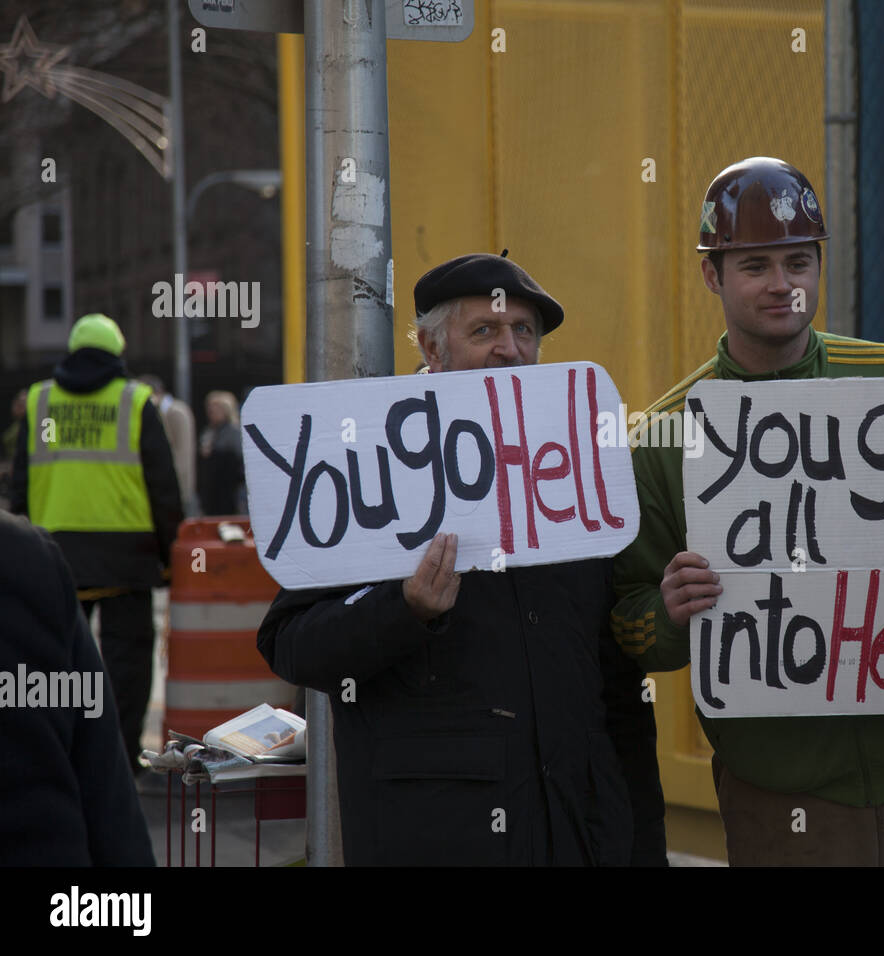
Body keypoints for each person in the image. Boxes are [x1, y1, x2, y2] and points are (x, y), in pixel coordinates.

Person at [610, 157, 884, 865]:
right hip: (780, 794)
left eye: (798, 261)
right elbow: (625, 617)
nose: (783, 285)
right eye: (755, 266)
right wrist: (668, 612)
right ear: (712, 275)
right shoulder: (661, 437)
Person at [257, 252, 667, 866]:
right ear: (431, 346)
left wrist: (644, 851)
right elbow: (292, 644)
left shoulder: (578, 480)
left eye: (523, 331)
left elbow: (619, 694)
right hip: (438, 839)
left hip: (580, 834)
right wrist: (403, 608)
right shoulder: (371, 467)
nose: (511, 348)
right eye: (486, 331)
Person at [11, 313, 183, 774]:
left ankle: (61, 754)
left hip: (53, 553)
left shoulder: (40, 402)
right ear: (118, 354)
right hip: (127, 559)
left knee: (55, 663)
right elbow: (162, 486)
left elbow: (21, 486)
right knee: (127, 664)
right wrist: (174, 556)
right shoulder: (135, 401)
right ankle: (120, 758)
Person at [0, 510, 155, 865]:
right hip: (126, 555)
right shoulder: (26, 558)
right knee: (127, 659)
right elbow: (107, 798)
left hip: (94, 548)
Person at [139, 375, 198, 518]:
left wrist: (176, 488)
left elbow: (183, 454)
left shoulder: (176, 412)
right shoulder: (162, 411)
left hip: (177, 488)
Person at [197, 390, 245, 515]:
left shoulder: (234, 432)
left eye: (216, 409)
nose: (211, 412)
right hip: (211, 492)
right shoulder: (208, 432)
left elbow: (239, 462)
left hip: (229, 492)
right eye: (210, 409)